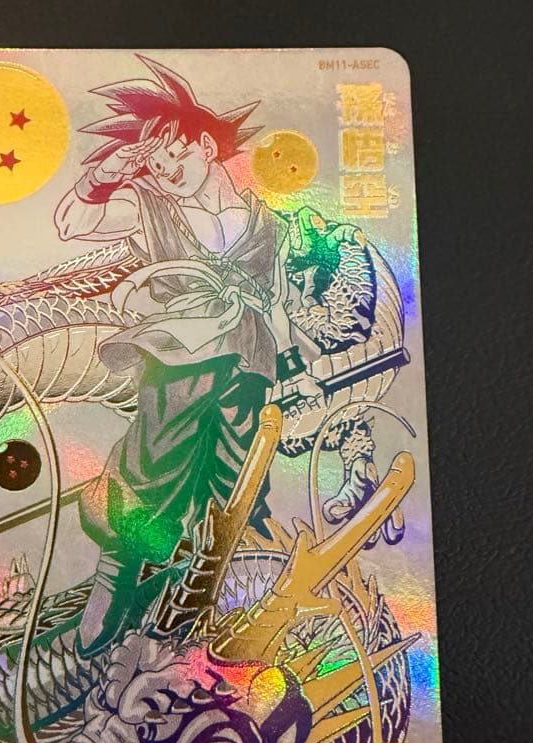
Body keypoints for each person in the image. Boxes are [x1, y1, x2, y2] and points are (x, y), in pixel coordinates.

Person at [54, 56, 351, 653]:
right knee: (153, 467)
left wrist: (299, 368)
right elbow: (73, 223)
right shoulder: (150, 208)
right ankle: (117, 573)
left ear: (207, 147)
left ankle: (205, 592)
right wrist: (104, 175)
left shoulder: (267, 223)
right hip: (180, 361)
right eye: (155, 165)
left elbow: (276, 302)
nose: (166, 172)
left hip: (250, 364)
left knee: (239, 478)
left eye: (174, 155)